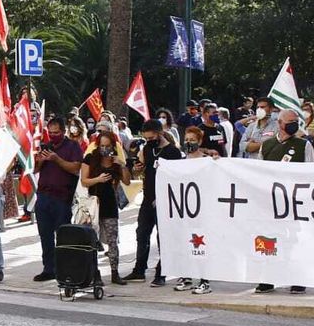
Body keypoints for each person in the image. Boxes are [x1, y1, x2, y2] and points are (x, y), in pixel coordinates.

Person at [256, 109, 309, 293]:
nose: (295, 124)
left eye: (296, 120)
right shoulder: (267, 144)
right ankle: (268, 278)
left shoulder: (304, 145)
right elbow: (258, 171)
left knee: (294, 241)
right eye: (291, 121)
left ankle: (298, 278)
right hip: (271, 202)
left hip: (294, 202)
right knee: (269, 239)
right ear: (280, 123)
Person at [124, 120, 181, 285]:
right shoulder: (148, 149)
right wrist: (137, 168)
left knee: (163, 237)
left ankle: (161, 272)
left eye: (151, 137)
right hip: (148, 197)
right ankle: (139, 269)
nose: (149, 140)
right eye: (146, 138)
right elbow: (142, 169)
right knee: (142, 234)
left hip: (164, 199)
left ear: (160, 133)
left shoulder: (172, 152)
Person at [30, 114, 83, 283]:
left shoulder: (72, 146)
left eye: (56, 132)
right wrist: (40, 161)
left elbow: (76, 168)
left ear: (63, 130)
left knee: (63, 235)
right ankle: (48, 268)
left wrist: (56, 159)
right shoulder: (46, 146)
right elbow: (35, 170)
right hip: (44, 196)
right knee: (45, 235)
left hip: (62, 197)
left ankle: (64, 269)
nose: (53, 136)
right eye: (50, 133)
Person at [78, 128, 131, 286]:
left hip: (110, 204)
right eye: (102, 145)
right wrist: (98, 179)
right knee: (93, 241)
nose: (105, 149)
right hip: (94, 204)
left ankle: (115, 272)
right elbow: (84, 181)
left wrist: (122, 165)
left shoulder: (115, 161)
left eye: (108, 146)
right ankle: (95, 273)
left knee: (112, 240)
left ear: (113, 146)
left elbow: (127, 181)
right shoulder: (90, 158)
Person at [170, 126, 217, 295]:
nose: (189, 143)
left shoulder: (207, 160)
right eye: (187, 140)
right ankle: (187, 276)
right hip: (184, 209)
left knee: (201, 244)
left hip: (202, 209)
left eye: (192, 140)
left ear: (200, 141)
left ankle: (205, 280)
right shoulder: (181, 161)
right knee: (185, 243)